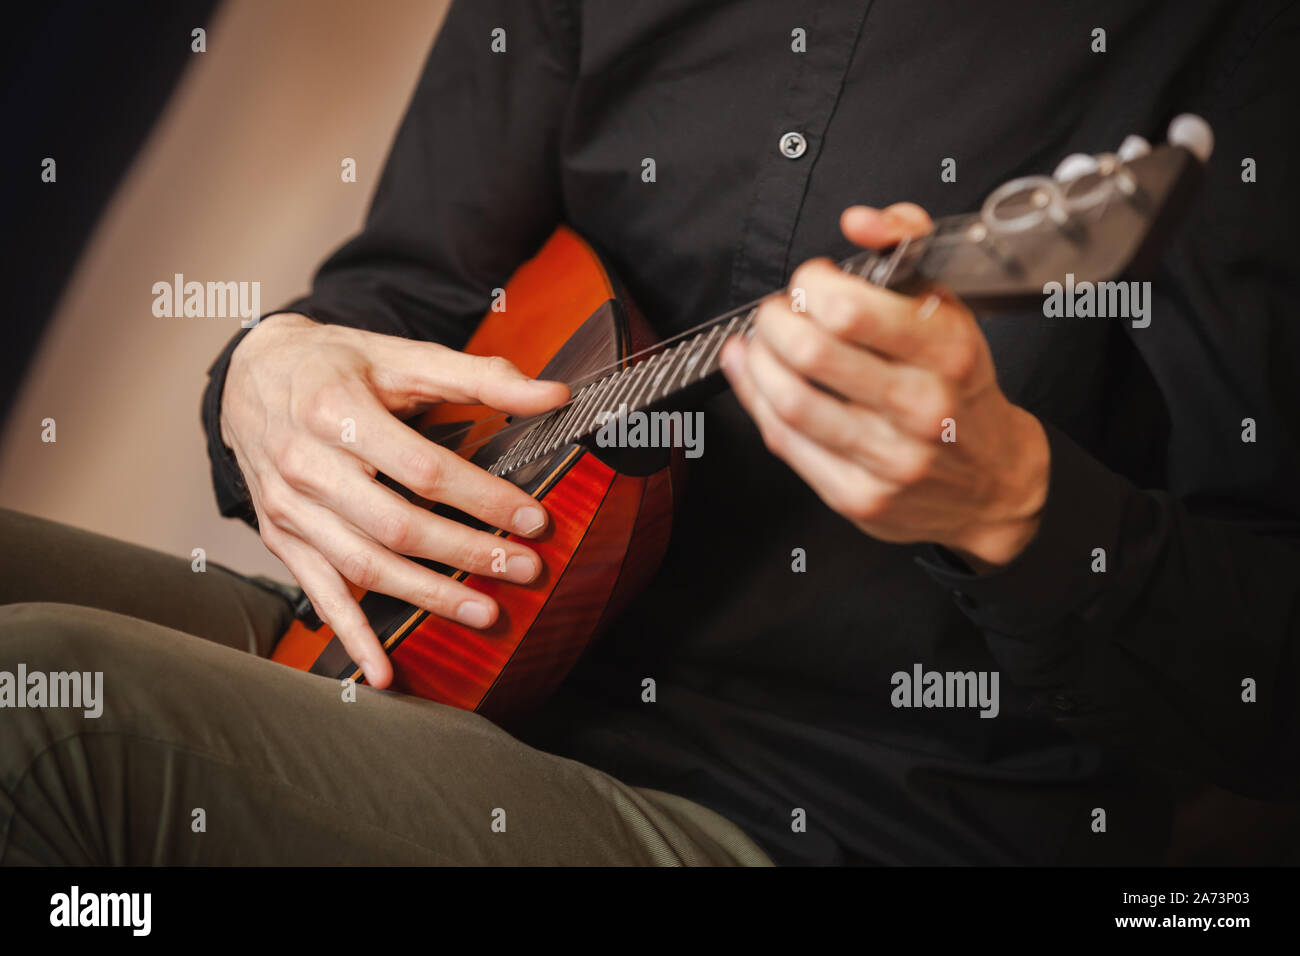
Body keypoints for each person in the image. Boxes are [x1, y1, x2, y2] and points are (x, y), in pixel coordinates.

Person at [2, 0, 1298, 866]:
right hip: (450, 647)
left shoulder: (1235, 41)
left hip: (820, 812)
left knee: (37, 714)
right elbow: (401, 290)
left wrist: (1012, 502)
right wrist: (262, 375)